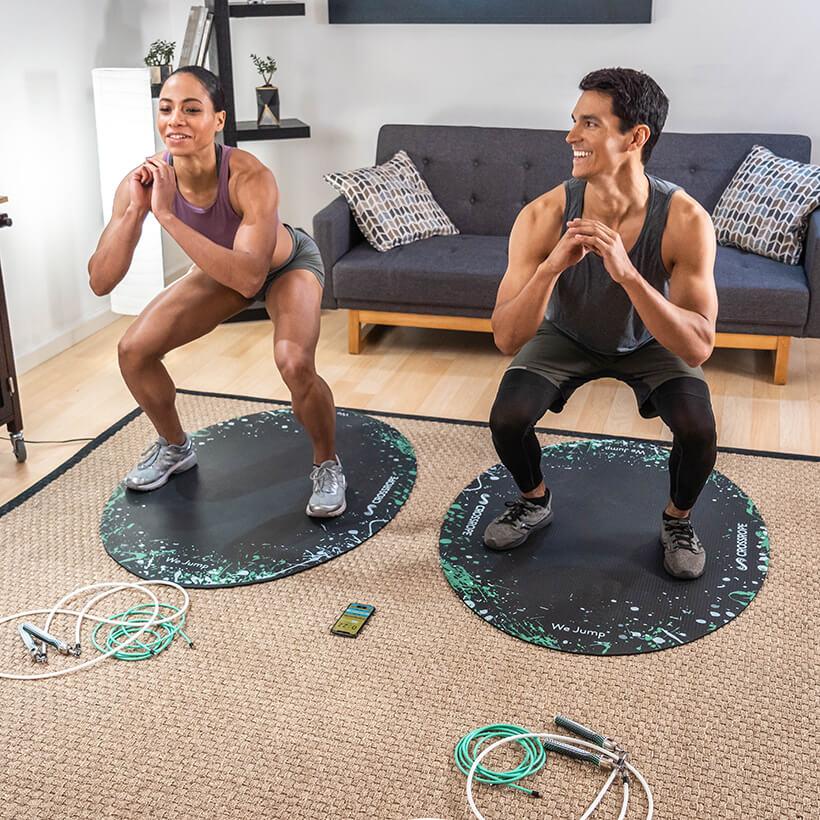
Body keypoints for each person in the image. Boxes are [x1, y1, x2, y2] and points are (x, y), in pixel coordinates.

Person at [485, 67, 718, 580]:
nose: (571, 136)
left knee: (699, 430)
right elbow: (505, 337)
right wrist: (552, 267)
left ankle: (677, 520)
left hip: (651, 338)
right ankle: (534, 500)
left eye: (589, 124)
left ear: (635, 137)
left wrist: (629, 275)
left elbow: (698, 346)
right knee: (507, 417)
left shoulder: (685, 220)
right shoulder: (543, 214)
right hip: (565, 333)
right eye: (574, 121)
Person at [88, 66, 346, 518]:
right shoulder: (144, 179)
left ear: (218, 119)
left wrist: (166, 215)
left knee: (294, 362)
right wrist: (135, 212)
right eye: (166, 109)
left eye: (192, 110)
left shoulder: (250, 176)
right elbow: (101, 281)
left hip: (285, 266)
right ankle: (174, 447)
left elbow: (250, 278)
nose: (175, 121)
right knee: (133, 352)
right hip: (220, 269)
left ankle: (327, 463)